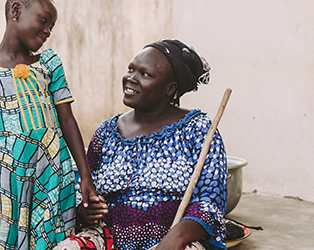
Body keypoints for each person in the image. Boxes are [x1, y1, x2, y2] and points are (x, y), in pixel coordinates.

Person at [0, 0, 98, 250]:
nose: (47, 31)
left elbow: (67, 120)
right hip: (9, 172)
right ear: (16, 11)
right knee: (7, 240)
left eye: (52, 27)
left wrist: (84, 174)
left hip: (55, 169)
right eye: (44, 21)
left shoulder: (49, 63)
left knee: (56, 237)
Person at [57, 39, 227, 250]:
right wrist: (85, 211)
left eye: (144, 74)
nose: (130, 79)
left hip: (173, 240)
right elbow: (83, 187)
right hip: (108, 238)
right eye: (131, 69)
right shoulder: (106, 133)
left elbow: (210, 202)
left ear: (170, 88)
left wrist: (175, 238)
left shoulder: (199, 131)